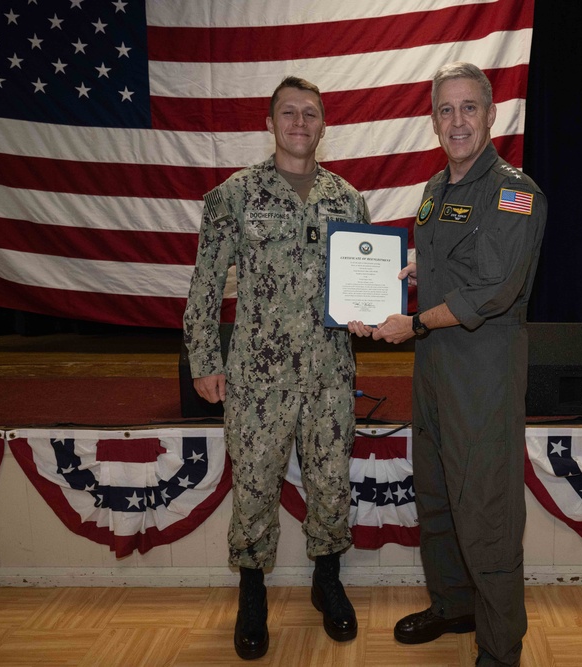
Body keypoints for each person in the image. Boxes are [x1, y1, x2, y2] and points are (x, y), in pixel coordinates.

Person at [349, 62, 547, 667]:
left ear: (491, 115)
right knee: (435, 496)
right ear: (433, 120)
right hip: (434, 370)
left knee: (485, 510)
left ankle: (499, 646)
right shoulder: (435, 192)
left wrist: (409, 323)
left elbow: (491, 289)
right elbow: (450, 269)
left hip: (482, 373)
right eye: (445, 109)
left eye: (468, 107)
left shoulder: (516, 193)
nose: (457, 120)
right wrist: (408, 274)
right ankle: (454, 604)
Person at [184, 76, 370, 661]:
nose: (298, 122)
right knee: (256, 487)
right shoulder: (234, 196)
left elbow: (360, 285)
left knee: (331, 484)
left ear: (323, 125)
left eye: (309, 113)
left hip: (330, 375)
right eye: (287, 113)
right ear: (270, 123)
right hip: (258, 379)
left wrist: (375, 310)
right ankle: (253, 592)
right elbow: (205, 286)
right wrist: (204, 359)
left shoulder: (348, 198)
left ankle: (327, 579)